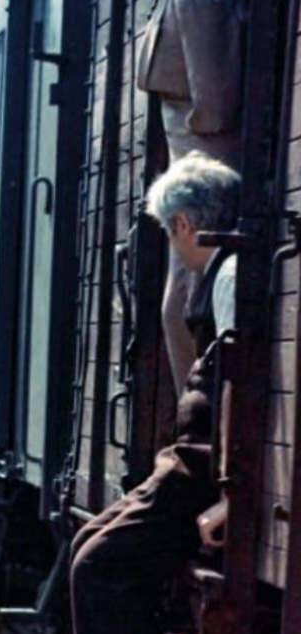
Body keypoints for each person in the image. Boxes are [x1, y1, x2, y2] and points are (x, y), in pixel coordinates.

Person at [70, 152, 240, 634]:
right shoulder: (221, 273)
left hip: (198, 471)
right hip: (187, 462)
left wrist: (230, 494)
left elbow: (237, 389)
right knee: (86, 543)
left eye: (169, 230)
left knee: (97, 569)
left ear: (183, 223)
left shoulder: (227, 277)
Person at [125, 0, 245, 396]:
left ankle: (198, 440)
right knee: (181, 313)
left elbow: (214, 110)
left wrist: (186, 168)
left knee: (184, 314)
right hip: (190, 183)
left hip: (200, 188)